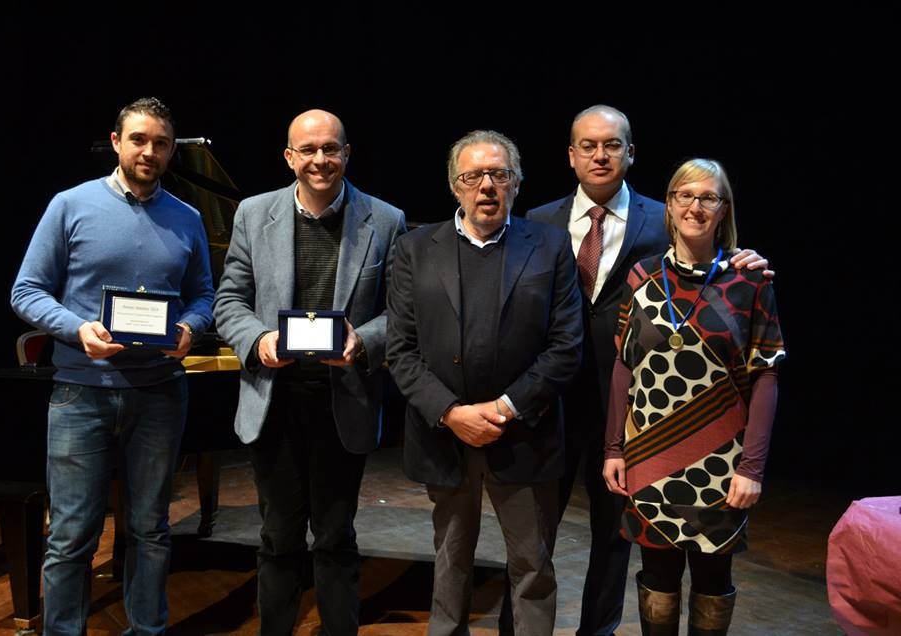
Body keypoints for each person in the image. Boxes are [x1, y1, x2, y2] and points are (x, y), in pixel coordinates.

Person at [524, 105, 768, 635]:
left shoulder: (666, 216)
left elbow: (709, 259)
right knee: (531, 540)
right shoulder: (537, 223)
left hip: (635, 412)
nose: (600, 155)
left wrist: (742, 258)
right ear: (570, 155)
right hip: (551, 404)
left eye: (612, 144)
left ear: (631, 153)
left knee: (614, 540)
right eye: (588, 145)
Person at [10, 97, 214, 635]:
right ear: (117, 141)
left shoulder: (188, 217)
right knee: (71, 535)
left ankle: (147, 630)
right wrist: (78, 329)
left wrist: (191, 327)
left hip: (161, 393)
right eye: (139, 139)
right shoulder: (70, 205)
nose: (150, 151)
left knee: (151, 530)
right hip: (81, 392)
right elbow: (26, 291)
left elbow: (204, 295)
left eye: (161, 143)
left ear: (171, 151)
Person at [212, 109, 406, 635]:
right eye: (308, 149)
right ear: (289, 157)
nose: (320, 159)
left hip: (343, 399)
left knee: (336, 536)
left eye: (331, 148)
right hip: (274, 400)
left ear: (347, 153)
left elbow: (401, 311)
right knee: (278, 537)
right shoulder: (254, 213)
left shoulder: (386, 219)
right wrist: (259, 340)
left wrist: (363, 341)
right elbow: (229, 300)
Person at [386, 129, 583, 635]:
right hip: (445, 436)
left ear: (517, 183)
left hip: (524, 433)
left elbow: (566, 346)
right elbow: (400, 349)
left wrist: (503, 409)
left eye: (499, 174)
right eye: (473, 176)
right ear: (455, 185)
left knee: (533, 567)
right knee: (450, 561)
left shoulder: (551, 246)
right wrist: (452, 413)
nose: (487, 186)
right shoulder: (413, 249)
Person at [602, 158, 785, 635]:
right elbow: (624, 365)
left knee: (712, 578)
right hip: (649, 456)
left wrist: (752, 468)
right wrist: (613, 448)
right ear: (669, 205)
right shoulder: (641, 277)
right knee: (657, 577)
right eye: (684, 195)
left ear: (724, 210)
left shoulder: (750, 282)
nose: (695, 207)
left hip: (720, 464)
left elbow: (766, 377)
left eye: (708, 197)